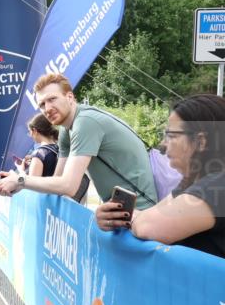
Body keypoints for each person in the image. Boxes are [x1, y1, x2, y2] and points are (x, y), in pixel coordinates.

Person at [0, 72, 157, 207]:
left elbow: (69, 186)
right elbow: (57, 181)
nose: (47, 109)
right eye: (42, 105)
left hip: (140, 211)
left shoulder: (85, 122)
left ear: (70, 97)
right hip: (118, 210)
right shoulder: (65, 129)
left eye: (52, 99)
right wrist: (17, 183)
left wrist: (21, 180)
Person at [94, 94, 225, 258]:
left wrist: (127, 219)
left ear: (201, 142)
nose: (163, 145)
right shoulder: (193, 182)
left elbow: (149, 227)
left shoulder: (216, 187)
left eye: (171, 136)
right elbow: (154, 214)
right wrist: (114, 217)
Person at [24, 113, 60, 177]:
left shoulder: (39, 154)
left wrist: (21, 171)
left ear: (35, 131)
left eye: (30, 132)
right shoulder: (59, 147)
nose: (30, 135)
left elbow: (32, 184)